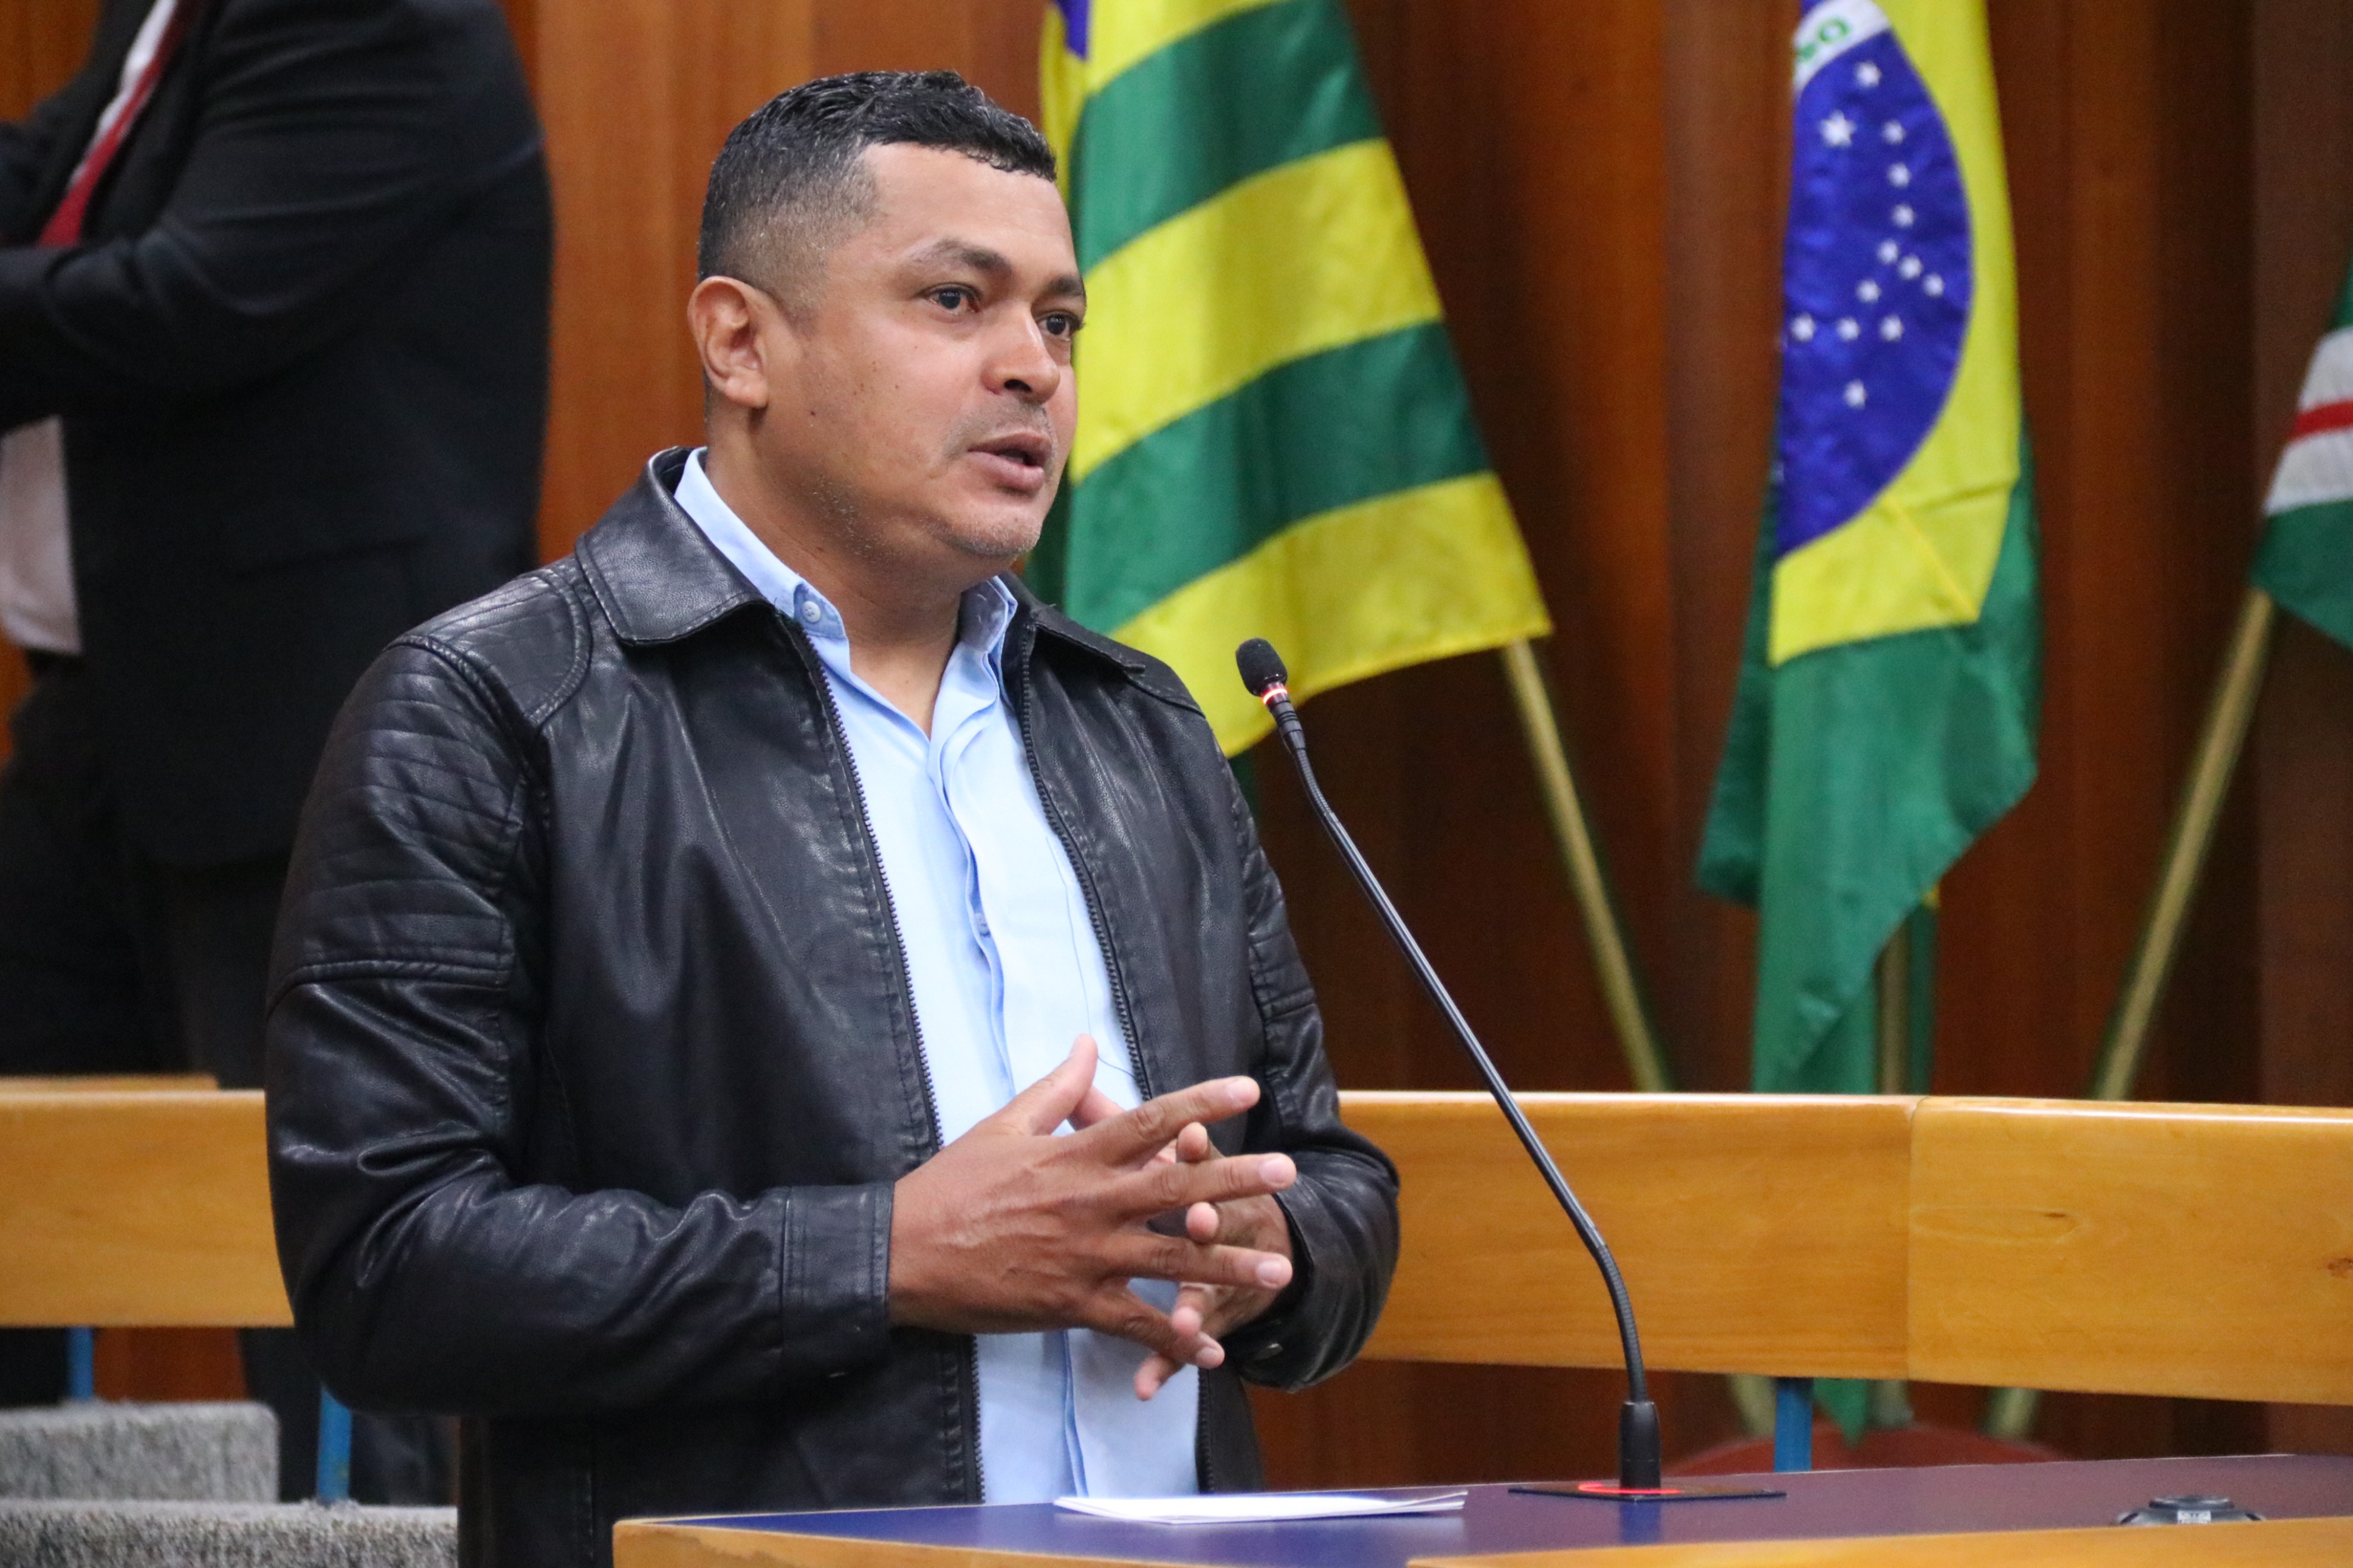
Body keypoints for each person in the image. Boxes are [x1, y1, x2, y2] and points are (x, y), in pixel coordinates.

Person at [264, 70, 1398, 1567]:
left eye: (1060, 321)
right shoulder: (494, 710)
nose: (1032, 369)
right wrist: (886, 1256)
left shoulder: (1139, 724)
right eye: (954, 301)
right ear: (740, 341)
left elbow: (1332, 1177)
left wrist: (1264, 1248)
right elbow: (386, 1271)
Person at [0, 0, 549, 1504]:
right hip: (106, 718)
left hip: (312, 735)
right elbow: (41, 180)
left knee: (324, 1263)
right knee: (30, 1189)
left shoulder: (371, 11)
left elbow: (190, 297)